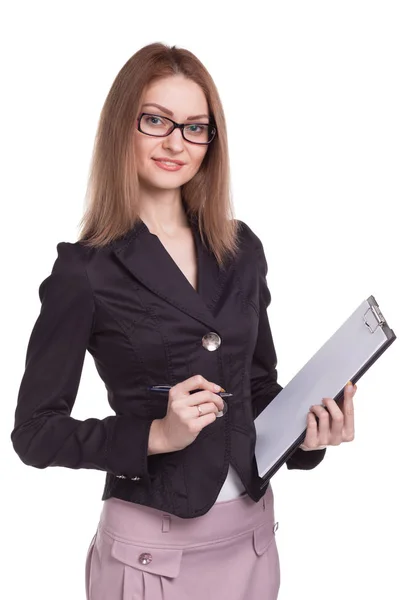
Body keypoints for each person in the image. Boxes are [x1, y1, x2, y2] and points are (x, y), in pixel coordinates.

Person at [11, 42, 356, 600]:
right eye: (157, 121)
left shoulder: (242, 248)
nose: (177, 142)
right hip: (150, 554)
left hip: (251, 539)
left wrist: (311, 433)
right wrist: (155, 435)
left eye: (196, 127)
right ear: (123, 126)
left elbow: (257, 386)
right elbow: (34, 433)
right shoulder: (86, 270)